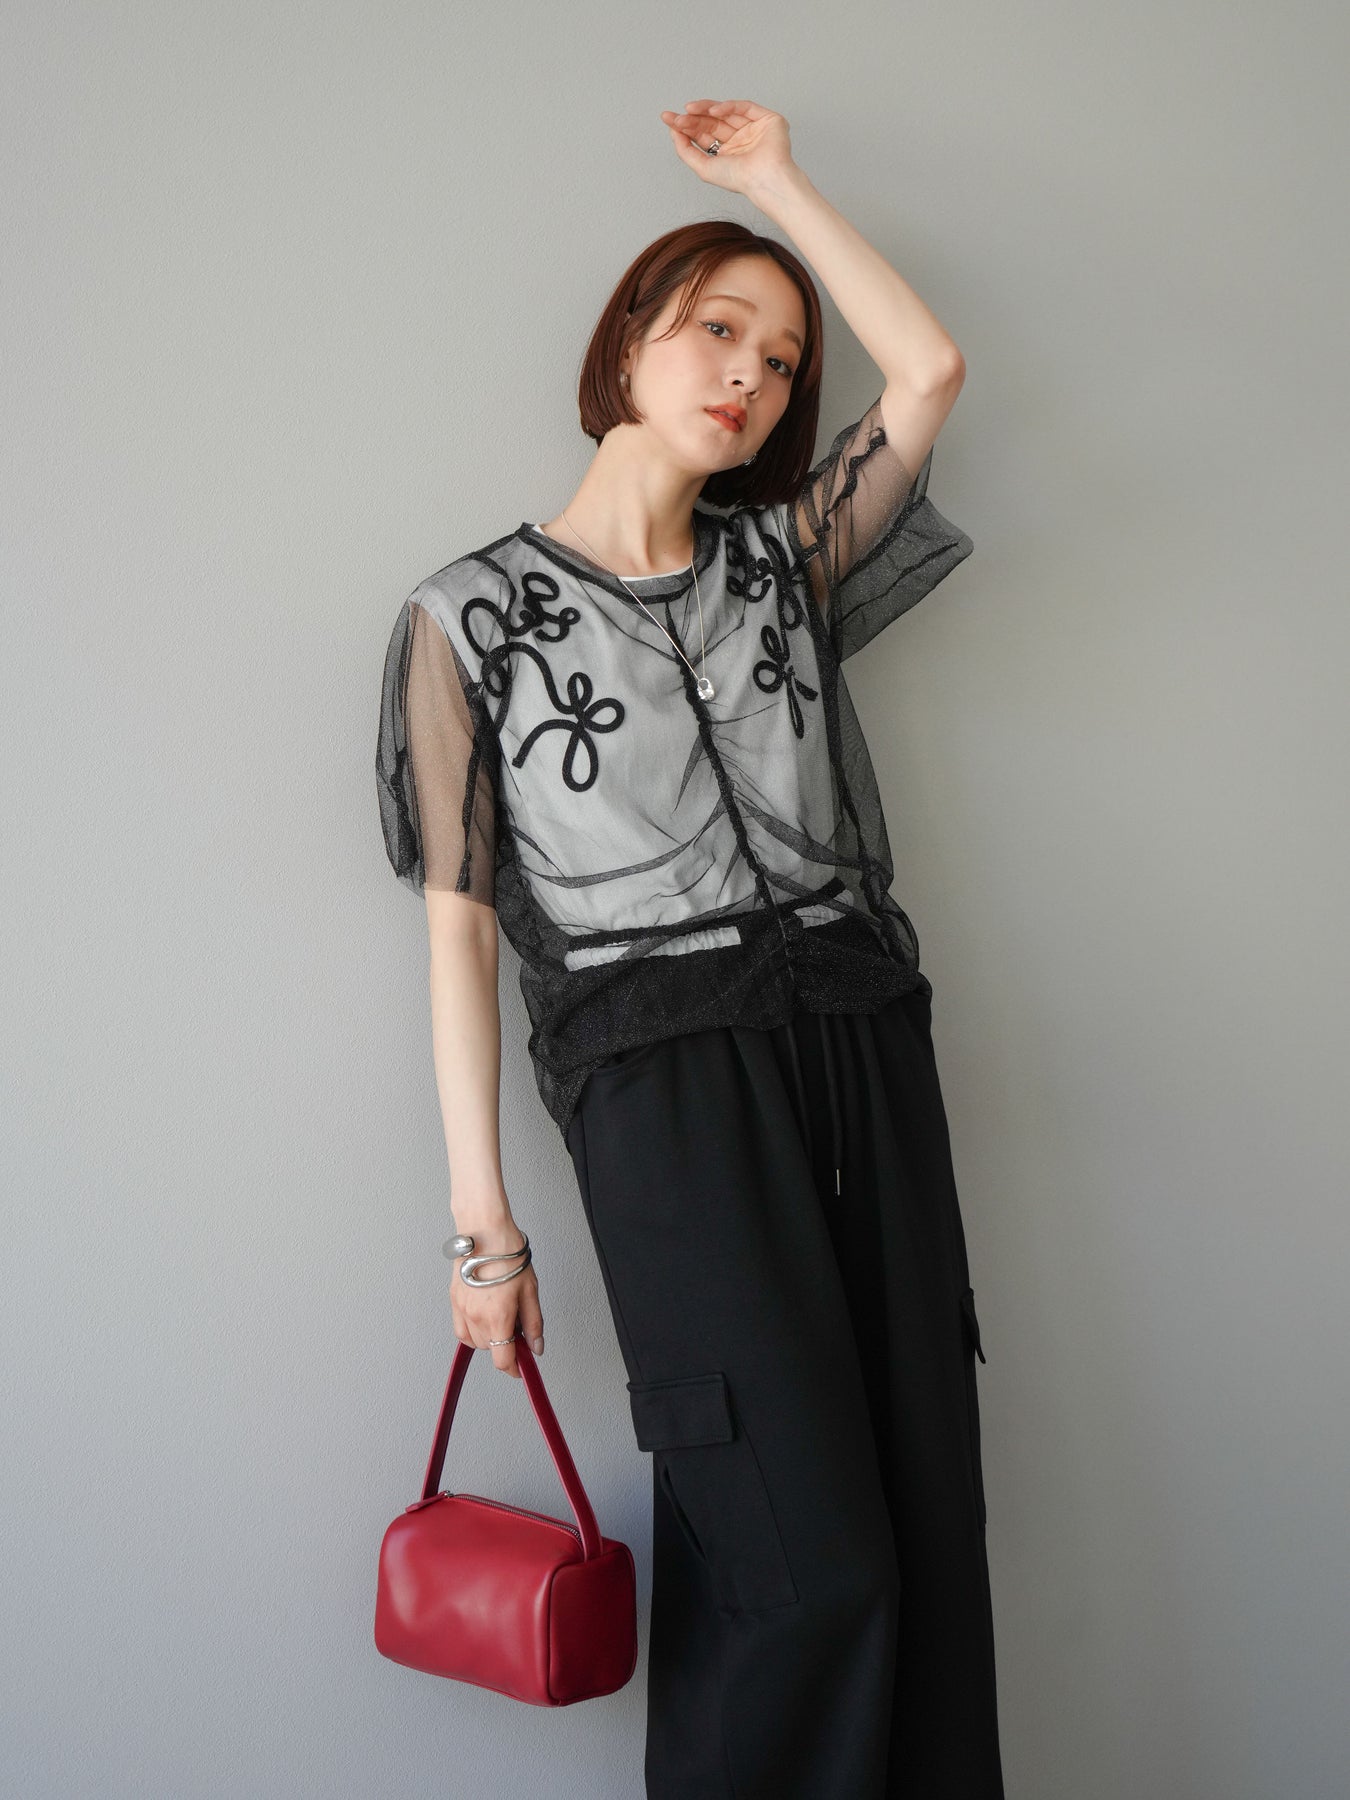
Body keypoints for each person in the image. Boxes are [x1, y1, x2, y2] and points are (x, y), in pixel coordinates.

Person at [376, 98, 1003, 1800]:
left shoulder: (779, 564)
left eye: (781, 361)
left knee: (923, 1522)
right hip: (661, 1091)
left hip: (863, 1050)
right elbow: (459, 933)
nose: (751, 375)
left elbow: (929, 370)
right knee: (798, 1562)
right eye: (718, 330)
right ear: (628, 343)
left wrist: (778, 183)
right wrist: (482, 1230)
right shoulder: (467, 618)